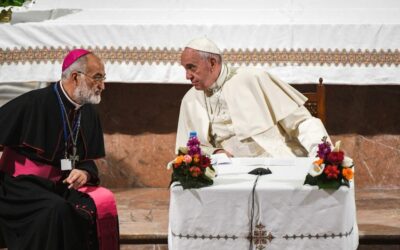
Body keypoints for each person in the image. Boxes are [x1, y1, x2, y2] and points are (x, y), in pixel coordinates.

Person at [0, 49, 119, 250]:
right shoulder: (34, 102)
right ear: (75, 77)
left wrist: (84, 172)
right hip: (22, 187)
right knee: (57, 210)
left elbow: (86, 159)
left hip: (61, 185)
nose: (103, 86)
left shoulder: (88, 111)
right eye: (97, 78)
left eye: (103, 78)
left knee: (93, 206)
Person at [176, 37, 329, 157]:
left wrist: (323, 154)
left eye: (192, 67)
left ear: (212, 63)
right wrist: (215, 153)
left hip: (273, 161)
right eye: (185, 68)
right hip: (227, 171)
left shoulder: (253, 78)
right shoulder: (190, 100)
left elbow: (302, 122)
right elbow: (188, 148)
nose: (187, 76)